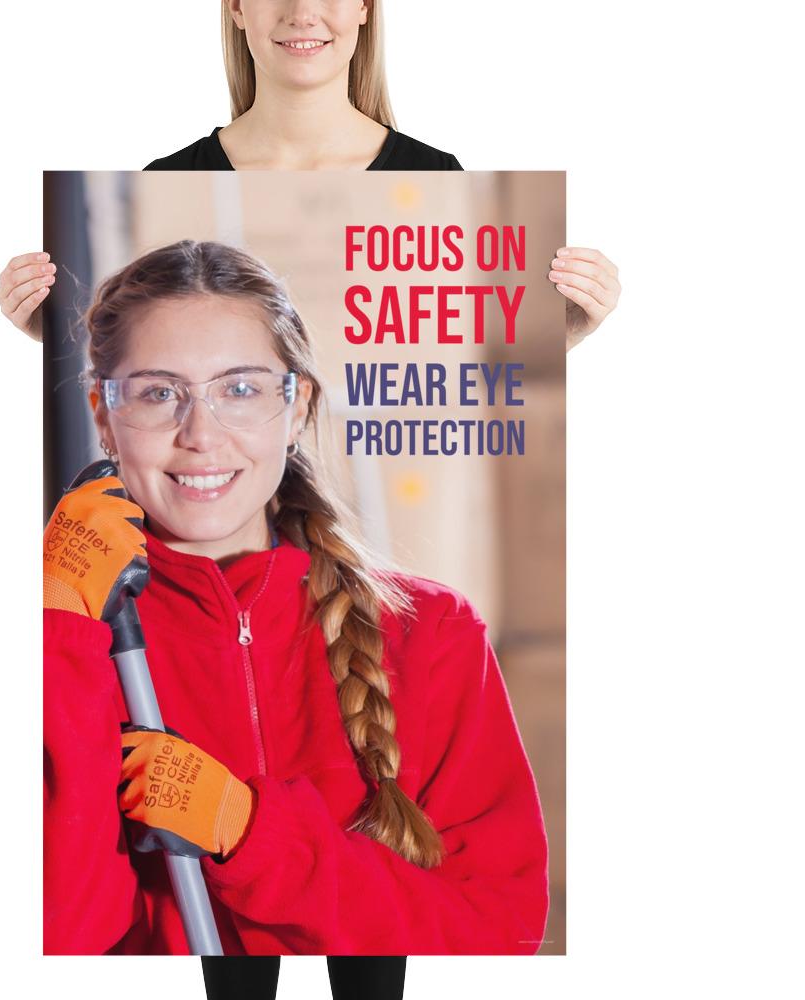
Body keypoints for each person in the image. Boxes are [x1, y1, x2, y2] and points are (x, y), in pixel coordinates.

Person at [43, 241, 550, 996]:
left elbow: (492, 939)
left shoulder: (432, 633)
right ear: (104, 418)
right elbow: (58, 939)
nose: (201, 434)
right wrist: (58, 633)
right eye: (156, 393)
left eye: (240, 389)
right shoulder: (62, 640)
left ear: (298, 406)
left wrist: (251, 832)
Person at [0, 0, 621, 345]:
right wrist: (53, 337)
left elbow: (461, 367)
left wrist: (564, 330)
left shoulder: (436, 179)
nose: (302, 11)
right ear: (236, 7)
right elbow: (148, 357)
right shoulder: (168, 184)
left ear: (365, 8)